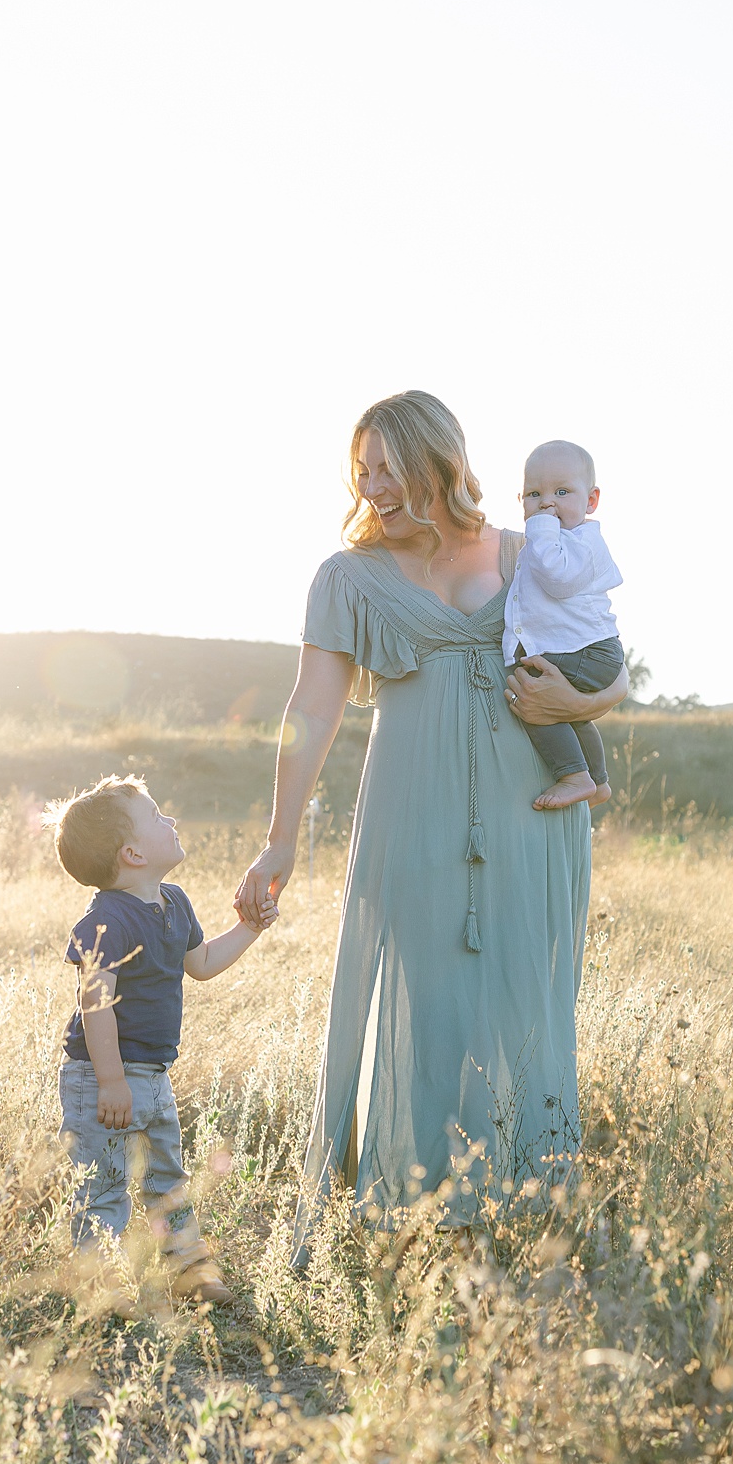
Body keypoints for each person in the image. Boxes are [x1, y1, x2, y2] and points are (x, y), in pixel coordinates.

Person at [234, 391, 629, 1260]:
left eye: (389, 466)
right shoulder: (347, 577)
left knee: (526, 997)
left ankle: (527, 1204)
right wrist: (281, 834)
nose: (373, 485)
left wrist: (579, 699)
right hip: (412, 807)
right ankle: (419, 1209)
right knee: (427, 991)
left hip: (533, 808)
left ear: (441, 463)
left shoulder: (532, 553)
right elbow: (310, 710)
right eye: (361, 469)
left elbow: (610, 670)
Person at [51, 774, 273, 1304]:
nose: (169, 820)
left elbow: (200, 964)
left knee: (168, 1179)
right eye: (156, 816)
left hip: (152, 1074)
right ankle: (98, 1286)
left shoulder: (174, 903)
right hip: (100, 1076)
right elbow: (94, 1000)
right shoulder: (106, 919)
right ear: (131, 852)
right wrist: (110, 1082)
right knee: (103, 1182)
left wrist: (250, 927)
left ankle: (188, 1274)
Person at [506, 439, 624, 811]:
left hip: (593, 652)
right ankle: (598, 781)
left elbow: (557, 579)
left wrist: (540, 527)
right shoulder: (549, 543)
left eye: (561, 492)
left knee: (531, 692)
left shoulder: (581, 543)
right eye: (534, 494)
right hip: (582, 650)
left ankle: (574, 775)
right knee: (565, 714)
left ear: (591, 500)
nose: (546, 503)